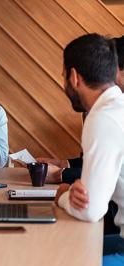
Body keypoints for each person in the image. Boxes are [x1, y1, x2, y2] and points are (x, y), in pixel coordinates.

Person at [52, 34, 124, 265]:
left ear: (74, 77)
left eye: (63, 76)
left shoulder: (103, 117)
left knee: (56, 254)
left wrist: (63, 194)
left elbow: (90, 210)